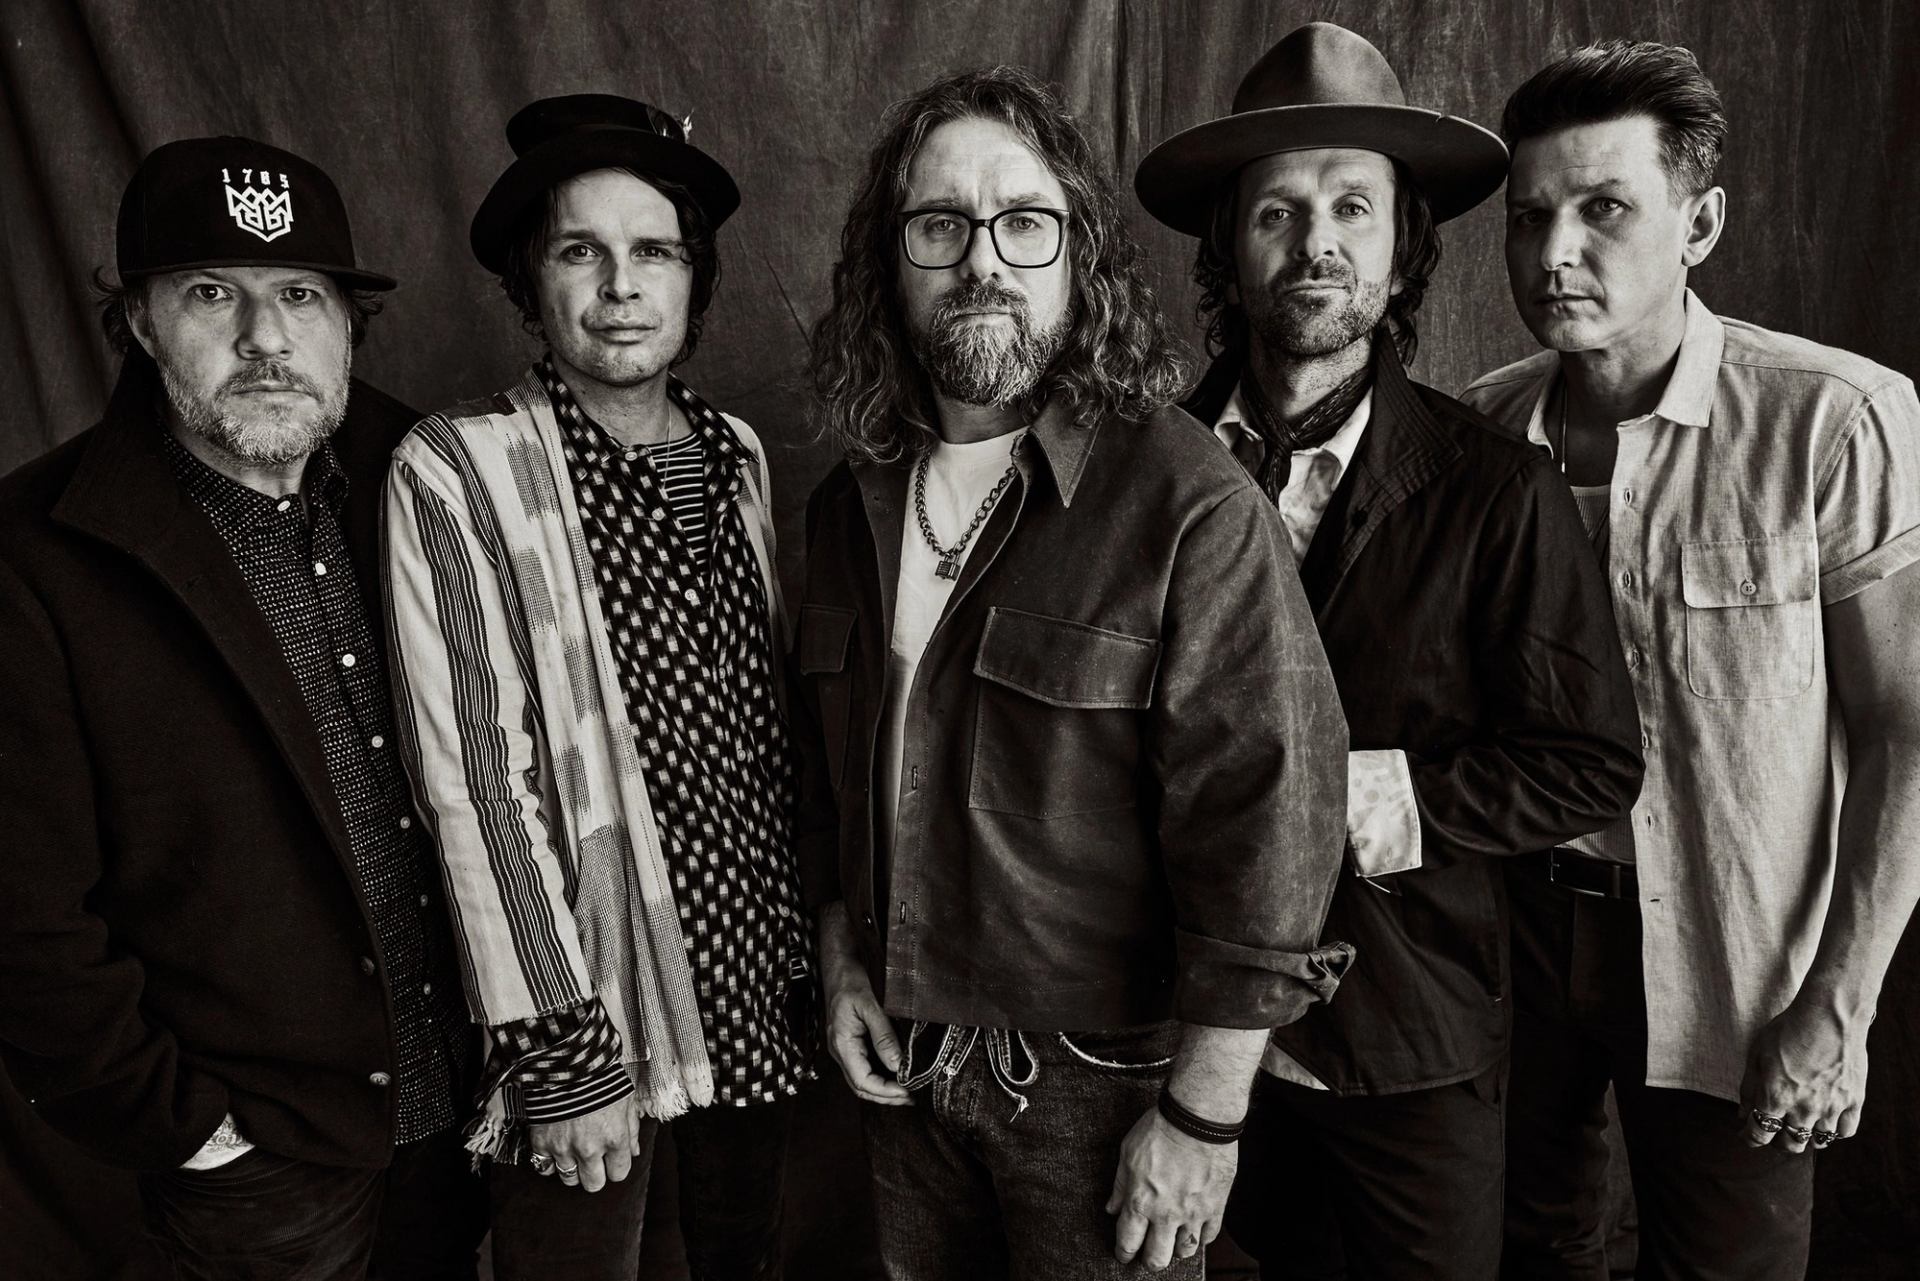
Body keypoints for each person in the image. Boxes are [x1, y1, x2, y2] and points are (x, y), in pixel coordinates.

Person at [794, 65, 1353, 1280]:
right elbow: (829, 769)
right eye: (940, 225)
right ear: (891, 261)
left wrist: (1205, 1117)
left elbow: (1271, 824)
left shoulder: (1186, 500)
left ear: (1076, 256)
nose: (982, 258)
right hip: (900, 1053)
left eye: (1023, 222)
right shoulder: (849, 504)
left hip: (1103, 1086)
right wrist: (842, 954)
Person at [1136, 23, 1645, 1279]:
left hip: (1410, 1046)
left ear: (1403, 244)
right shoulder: (1137, 474)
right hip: (1165, 1030)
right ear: (1226, 245)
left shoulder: (1496, 491)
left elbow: (1588, 764)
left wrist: (1363, 800)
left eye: (1353, 208)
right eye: (1278, 213)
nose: (1317, 244)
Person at [1460, 40, 1920, 1281]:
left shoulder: (1836, 420)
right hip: (1520, 935)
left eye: (1606, 208)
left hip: (1738, 948)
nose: (1557, 252)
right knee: (1520, 1250)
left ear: (1700, 219)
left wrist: (1841, 999)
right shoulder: (1481, 436)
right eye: (1530, 217)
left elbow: (1905, 734)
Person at [0, 135, 484, 1279]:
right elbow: (22, 911)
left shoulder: (431, 478)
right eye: (212, 293)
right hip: (256, 1164)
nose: (266, 338)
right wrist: (188, 1131)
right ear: (138, 323)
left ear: (348, 324)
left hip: (464, 1119)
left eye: (300, 295)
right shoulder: (36, 555)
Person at [383, 94, 811, 1281]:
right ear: (534, 281)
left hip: (749, 970)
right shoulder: (460, 466)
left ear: (692, 278)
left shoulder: (736, 456)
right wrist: (561, 1049)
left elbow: (765, 730)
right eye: (582, 250)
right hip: (586, 994)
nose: (621, 284)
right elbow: (473, 778)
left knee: (747, 1256)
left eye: (654, 251)